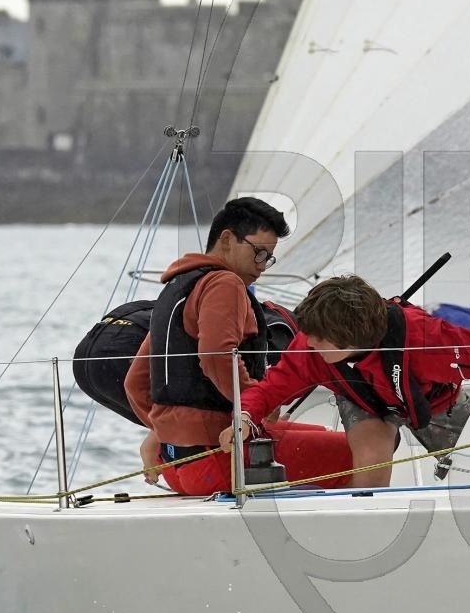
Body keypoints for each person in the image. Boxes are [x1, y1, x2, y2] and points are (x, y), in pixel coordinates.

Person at [126, 196, 357, 496]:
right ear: (226, 239)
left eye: (268, 258)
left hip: (174, 465)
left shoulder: (176, 287)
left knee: (317, 433)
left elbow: (135, 383)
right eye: (258, 253)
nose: (262, 267)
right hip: (218, 460)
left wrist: (168, 432)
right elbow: (216, 358)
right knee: (357, 451)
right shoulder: (225, 283)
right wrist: (258, 403)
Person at [225, 274, 470, 482]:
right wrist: (244, 417)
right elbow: (268, 391)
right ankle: (366, 528)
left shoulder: (427, 339)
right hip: (362, 399)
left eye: (319, 337)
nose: (309, 341)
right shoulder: (310, 347)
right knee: (371, 461)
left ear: (350, 338)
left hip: (433, 401)